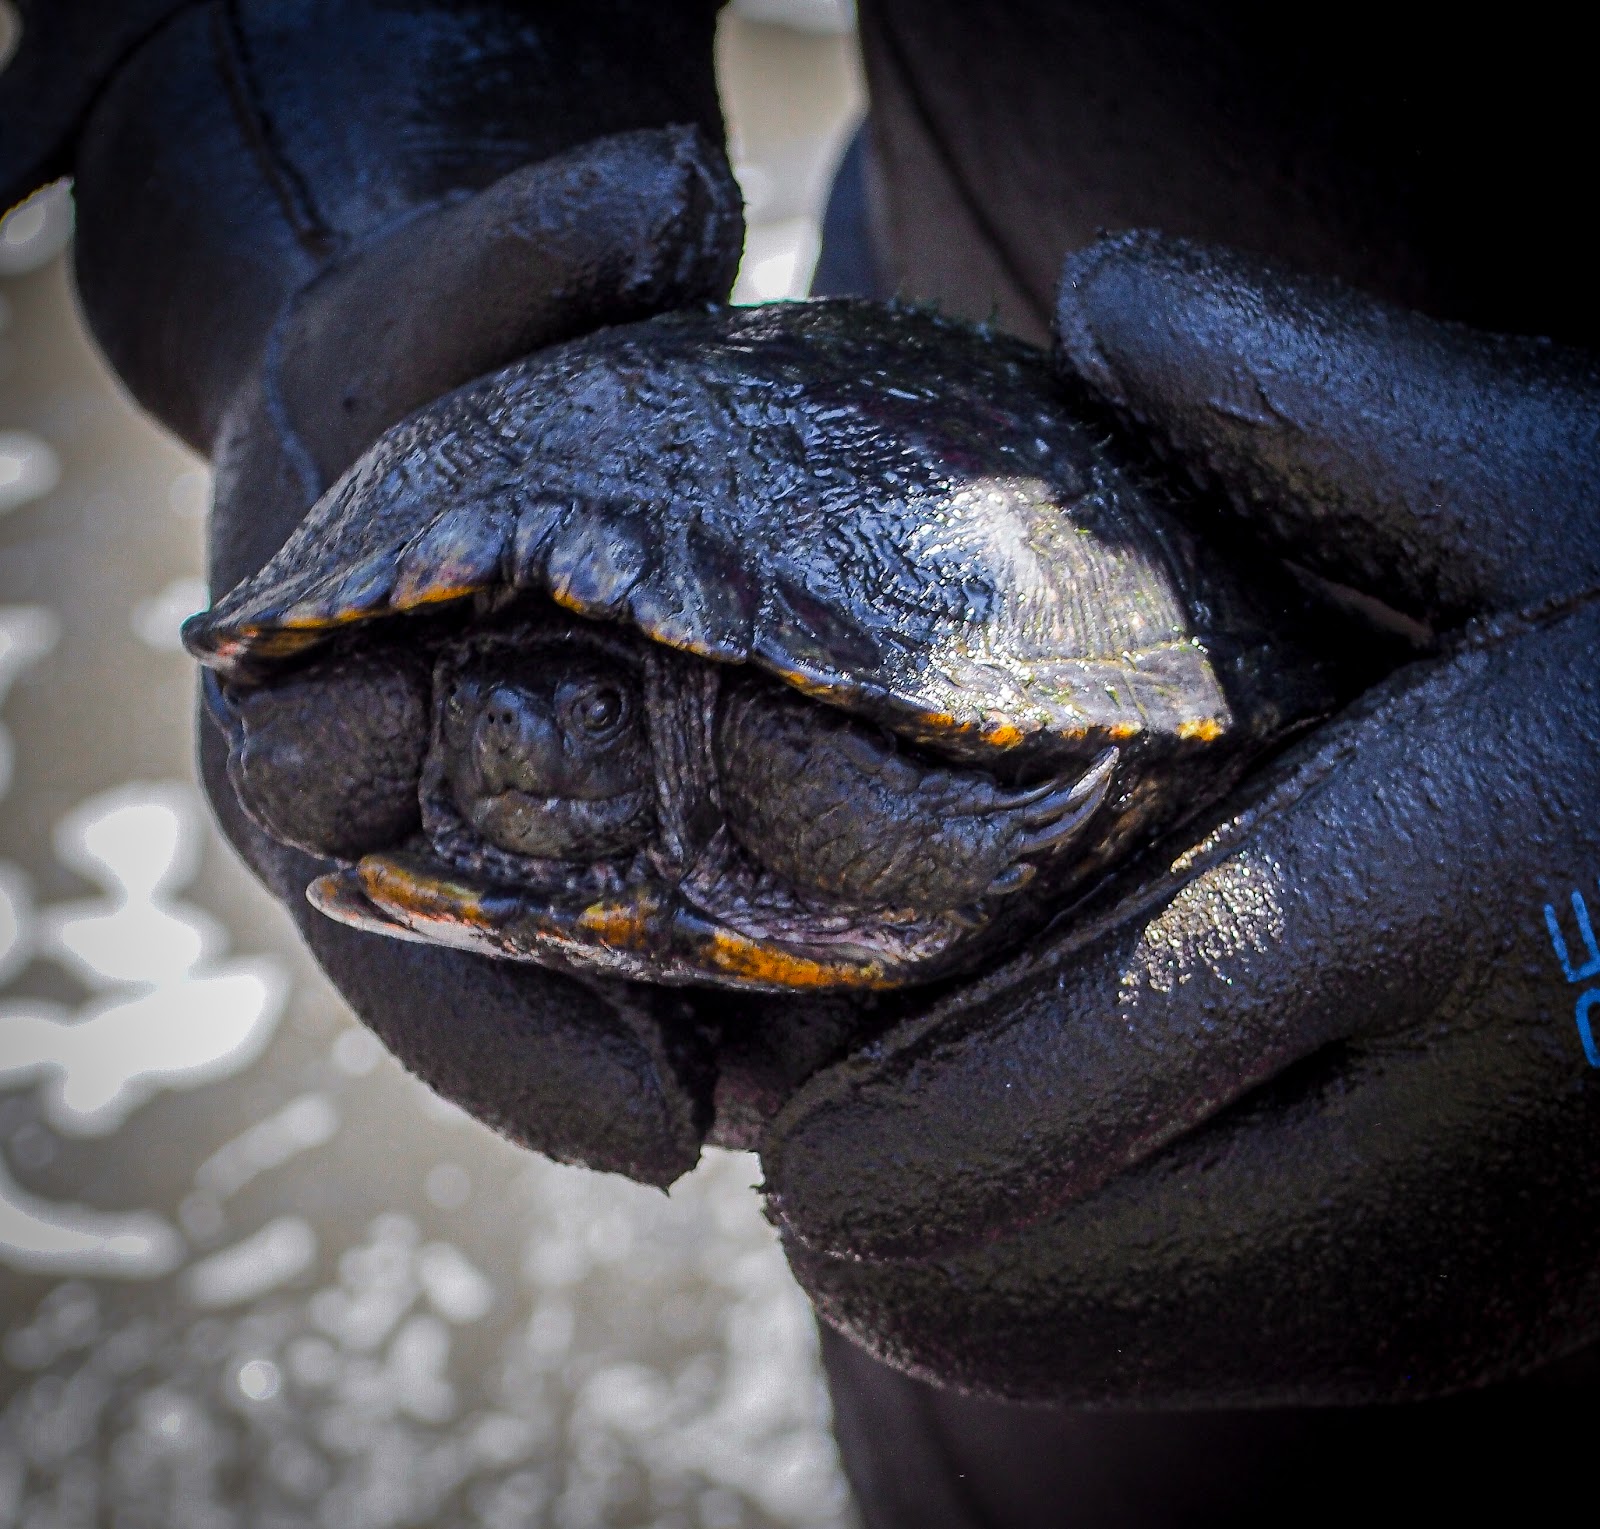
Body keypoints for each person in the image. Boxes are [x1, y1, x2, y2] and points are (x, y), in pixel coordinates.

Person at [4, 3, 1597, 1522]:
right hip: (988, 290)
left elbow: (975, 767)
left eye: (591, 718)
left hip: (1151, 617)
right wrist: (304, 128)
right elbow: (295, 724)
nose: (524, 746)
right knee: (1013, 1345)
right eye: (495, 711)